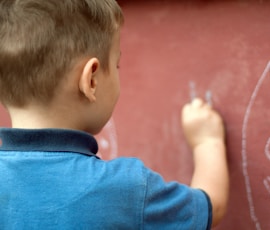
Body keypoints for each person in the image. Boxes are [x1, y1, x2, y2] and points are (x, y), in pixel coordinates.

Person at [0, 0, 229, 229]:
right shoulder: (127, 189)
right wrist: (207, 143)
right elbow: (211, 208)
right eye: (117, 65)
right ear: (91, 80)